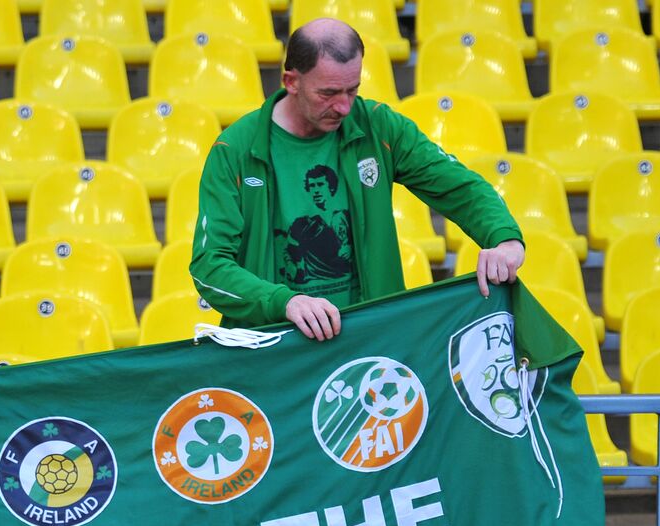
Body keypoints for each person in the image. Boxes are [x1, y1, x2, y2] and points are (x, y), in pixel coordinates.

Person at [190, 18, 526, 342]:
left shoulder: (378, 126)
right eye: (329, 93)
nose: (345, 107)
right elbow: (209, 265)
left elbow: (460, 186)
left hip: (372, 341)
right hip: (275, 349)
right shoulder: (234, 151)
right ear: (290, 81)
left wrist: (504, 237)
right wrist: (285, 302)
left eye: (353, 90)